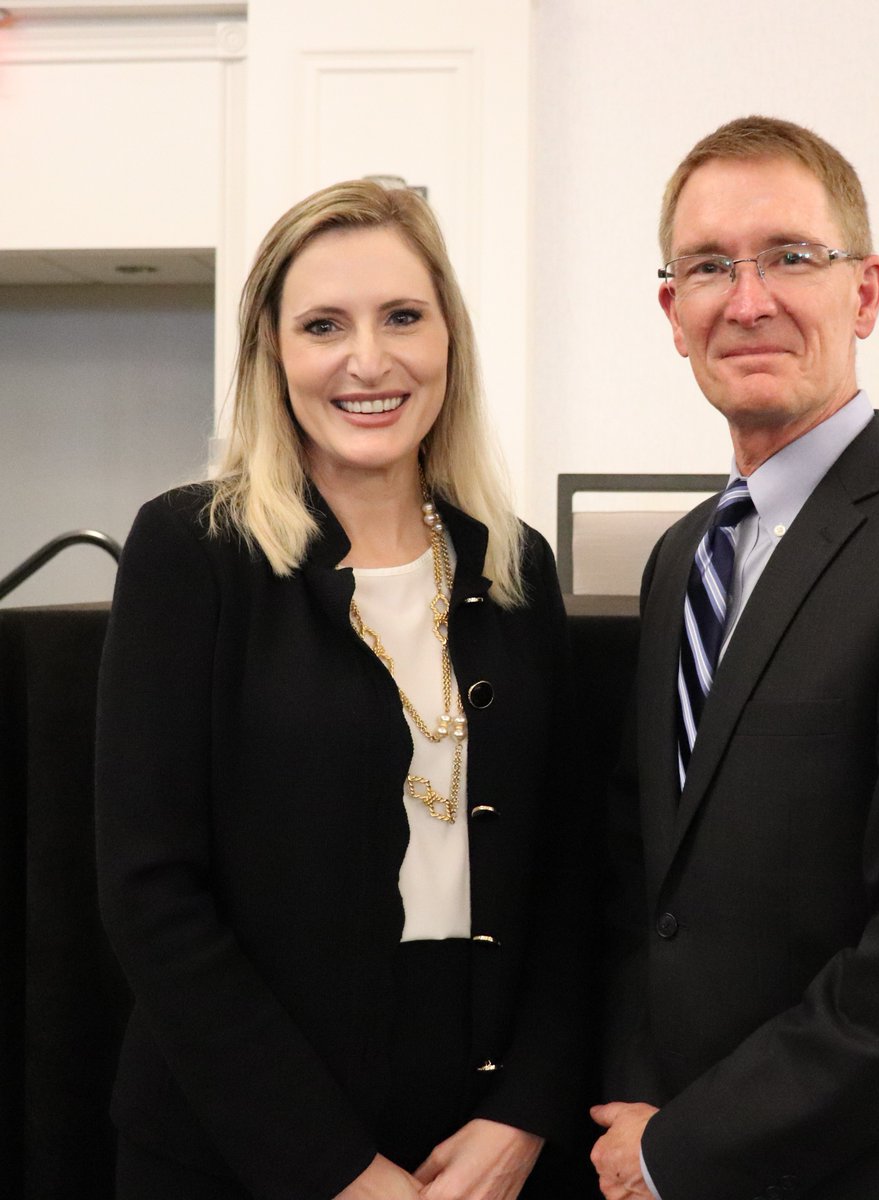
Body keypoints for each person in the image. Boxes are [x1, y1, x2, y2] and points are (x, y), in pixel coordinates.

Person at [591, 116, 879, 1200]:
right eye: (710, 266)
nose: (747, 299)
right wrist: (637, 1114)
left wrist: (683, 1147)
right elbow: (646, 882)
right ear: (673, 313)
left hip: (871, 1169)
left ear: (867, 292)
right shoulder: (681, 561)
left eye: (792, 257)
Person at [96, 179, 593, 1200]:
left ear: (448, 338)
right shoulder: (192, 552)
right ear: (273, 356)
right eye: (324, 325)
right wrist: (336, 1172)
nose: (370, 360)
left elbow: (574, 875)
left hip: (478, 1145)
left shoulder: (517, 567)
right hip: (242, 1144)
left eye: (403, 317)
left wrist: (523, 1115)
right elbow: (152, 895)